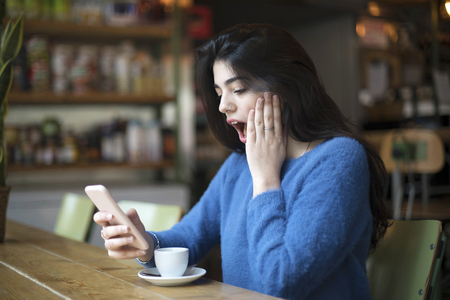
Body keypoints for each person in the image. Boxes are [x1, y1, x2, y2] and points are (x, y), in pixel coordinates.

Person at [94, 23, 390, 300]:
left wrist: (265, 179)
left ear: (287, 87)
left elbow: (281, 281)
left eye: (238, 90)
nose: (224, 106)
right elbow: (190, 236)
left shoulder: (338, 159)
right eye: (219, 92)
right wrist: (147, 244)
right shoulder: (239, 164)